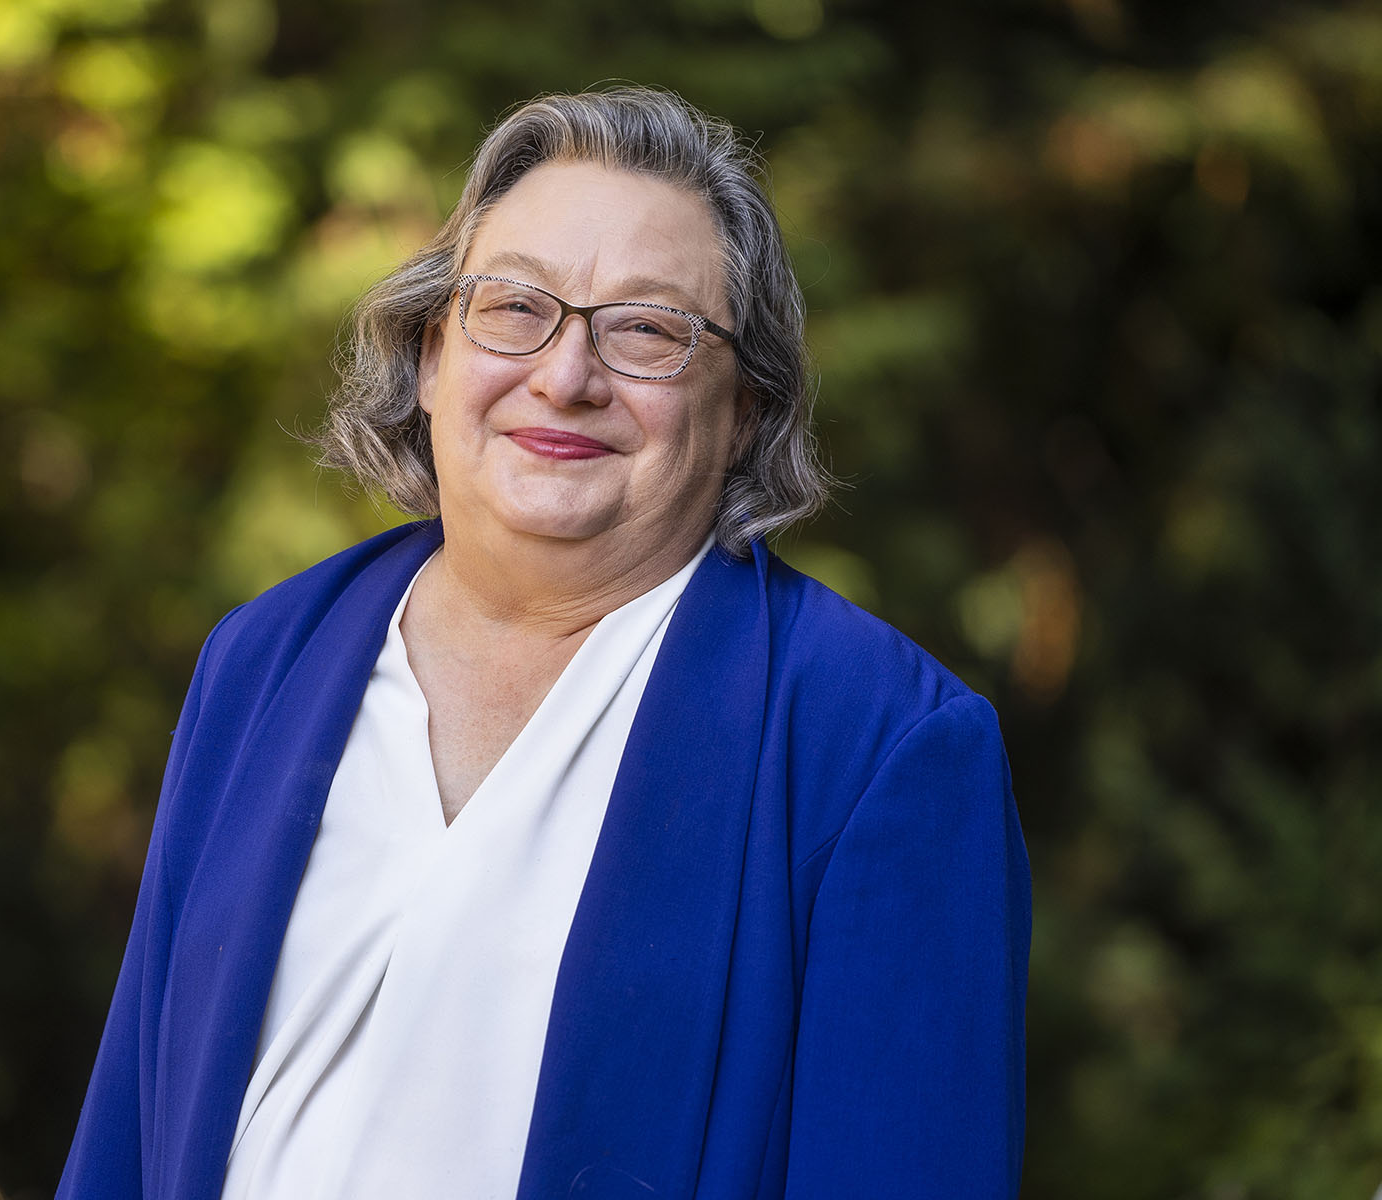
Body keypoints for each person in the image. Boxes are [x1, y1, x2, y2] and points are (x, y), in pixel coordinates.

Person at [56, 86, 1031, 1200]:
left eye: (649, 330)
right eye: (514, 308)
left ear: (746, 410)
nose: (565, 377)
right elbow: (130, 1134)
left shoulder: (876, 746)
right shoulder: (266, 661)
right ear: (430, 357)